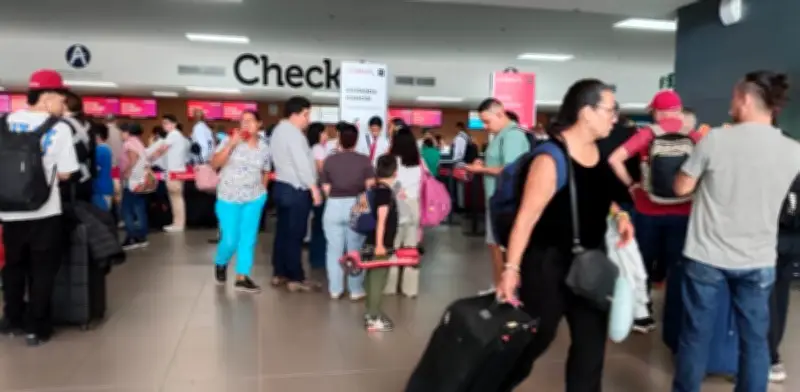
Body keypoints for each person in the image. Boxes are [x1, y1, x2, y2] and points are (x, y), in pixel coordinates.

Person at [497, 79, 634, 391]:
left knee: (591, 348)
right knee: (532, 342)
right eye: (611, 110)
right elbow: (526, 219)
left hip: (590, 264)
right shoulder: (550, 158)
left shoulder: (597, 150)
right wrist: (510, 269)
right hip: (548, 266)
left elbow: (598, 195)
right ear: (586, 113)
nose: (615, 117)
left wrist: (620, 214)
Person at [671, 70, 800, 392]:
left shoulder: (715, 140)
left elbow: (680, 188)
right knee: (755, 341)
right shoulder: (794, 151)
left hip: (706, 256)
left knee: (694, 336)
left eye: (733, 96)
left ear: (744, 98)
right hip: (758, 260)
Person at [607, 90, 701, 333]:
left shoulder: (647, 134)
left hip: (647, 209)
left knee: (643, 264)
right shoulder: (694, 137)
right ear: (679, 111)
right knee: (677, 267)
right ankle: (675, 322)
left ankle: (643, 315)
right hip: (684, 211)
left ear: (656, 112)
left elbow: (614, 159)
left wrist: (632, 185)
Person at [0, 69, 79, 346]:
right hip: (44, 210)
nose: (63, 105)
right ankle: (37, 327)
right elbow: (68, 172)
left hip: (8, 209)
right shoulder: (58, 128)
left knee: (13, 265)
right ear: (47, 97)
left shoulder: (4, 121)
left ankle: (12, 318)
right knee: (42, 269)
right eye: (61, 98)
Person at [465, 98, 531, 294]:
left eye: (487, 121)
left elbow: (510, 169)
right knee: (494, 246)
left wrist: (481, 170)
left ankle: (505, 290)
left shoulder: (512, 136)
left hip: (505, 202)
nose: (485, 127)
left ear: (500, 114)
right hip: (495, 199)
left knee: (502, 248)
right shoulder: (500, 136)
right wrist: (482, 164)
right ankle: (498, 287)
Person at [211, 110, 270, 293]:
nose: (246, 124)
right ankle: (221, 262)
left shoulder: (264, 147)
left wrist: (263, 191)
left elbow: (266, 170)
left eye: (250, 121)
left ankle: (242, 277)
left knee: (248, 239)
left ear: (259, 124)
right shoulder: (230, 141)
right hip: (228, 198)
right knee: (230, 239)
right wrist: (231, 144)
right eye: (242, 121)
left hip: (254, 199)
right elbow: (215, 164)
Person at [270, 96, 322, 292]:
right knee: (295, 234)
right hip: (296, 190)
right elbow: (301, 163)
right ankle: (295, 277)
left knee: (283, 233)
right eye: (305, 114)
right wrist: (314, 188)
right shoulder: (293, 133)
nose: (307, 119)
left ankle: (280, 272)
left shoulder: (278, 130)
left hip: (282, 187)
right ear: (294, 114)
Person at [321, 122, 373, 300]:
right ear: (356, 140)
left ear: (340, 140)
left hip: (333, 205)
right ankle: (355, 289)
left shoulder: (330, 160)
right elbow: (369, 187)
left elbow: (326, 189)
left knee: (334, 250)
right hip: (357, 204)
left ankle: (335, 289)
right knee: (355, 249)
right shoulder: (364, 160)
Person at [385, 127, 424, 297]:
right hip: (413, 205)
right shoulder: (418, 161)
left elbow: (386, 181)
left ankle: (390, 286)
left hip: (396, 205)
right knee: (410, 247)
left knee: (392, 246)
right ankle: (410, 289)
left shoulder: (391, 161)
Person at [363, 155, 399, 332]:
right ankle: (373, 318)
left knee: (371, 278)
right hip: (380, 243)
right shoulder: (385, 193)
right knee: (378, 279)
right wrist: (379, 245)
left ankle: (370, 312)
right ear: (395, 172)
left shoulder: (375, 189)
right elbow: (381, 220)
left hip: (368, 240)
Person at [770, 172, 800, 383]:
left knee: (767, 298)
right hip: (792, 242)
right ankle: (773, 357)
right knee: (779, 296)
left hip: (769, 239)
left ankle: (769, 356)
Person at [119, 123, 152, 250]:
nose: (121, 135)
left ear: (128, 132)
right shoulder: (140, 143)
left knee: (126, 209)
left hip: (132, 181)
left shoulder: (129, 143)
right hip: (141, 180)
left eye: (122, 132)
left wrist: (127, 171)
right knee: (139, 208)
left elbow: (133, 158)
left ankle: (132, 237)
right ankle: (142, 236)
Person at [62, 91, 95, 202]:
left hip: (68, 176)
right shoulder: (88, 123)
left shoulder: (63, 124)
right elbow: (92, 150)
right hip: (85, 174)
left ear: (65, 105)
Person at [160, 115, 190, 233]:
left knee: (176, 198)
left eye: (167, 123)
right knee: (177, 198)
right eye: (163, 123)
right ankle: (178, 223)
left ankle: (178, 224)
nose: (165, 126)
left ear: (174, 123)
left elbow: (161, 148)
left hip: (174, 171)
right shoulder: (180, 137)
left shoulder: (173, 135)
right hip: (179, 170)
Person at [307, 122, 328, 270]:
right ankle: (319, 258)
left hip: (314, 188)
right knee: (321, 224)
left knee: (317, 224)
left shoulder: (310, 148)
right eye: (325, 132)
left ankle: (316, 257)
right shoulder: (318, 149)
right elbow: (322, 170)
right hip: (320, 190)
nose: (327, 135)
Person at [91, 123, 114, 211]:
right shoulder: (107, 148)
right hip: (105, 187)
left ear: (97, 135)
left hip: (100, 188)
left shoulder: (99, 150)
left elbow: (94, 168)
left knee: (101, 218)